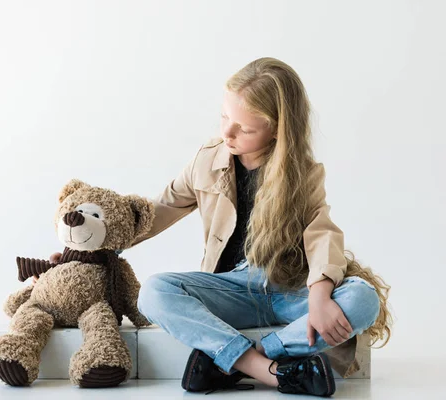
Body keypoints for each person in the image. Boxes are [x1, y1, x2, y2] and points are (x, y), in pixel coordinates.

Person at [39, 57, 392, 396]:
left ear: (277, 129)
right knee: (154, 292)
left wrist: (318, 296)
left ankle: (242, 361)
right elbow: (156, 211)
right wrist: (88, 249)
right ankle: (270, 369)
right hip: (229, 288)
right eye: (225, 116)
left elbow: (321, 233)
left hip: (289, 289)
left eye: (245, 127)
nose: (228, 131)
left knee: (362, 299)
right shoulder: (207, 160)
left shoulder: (304, 173)